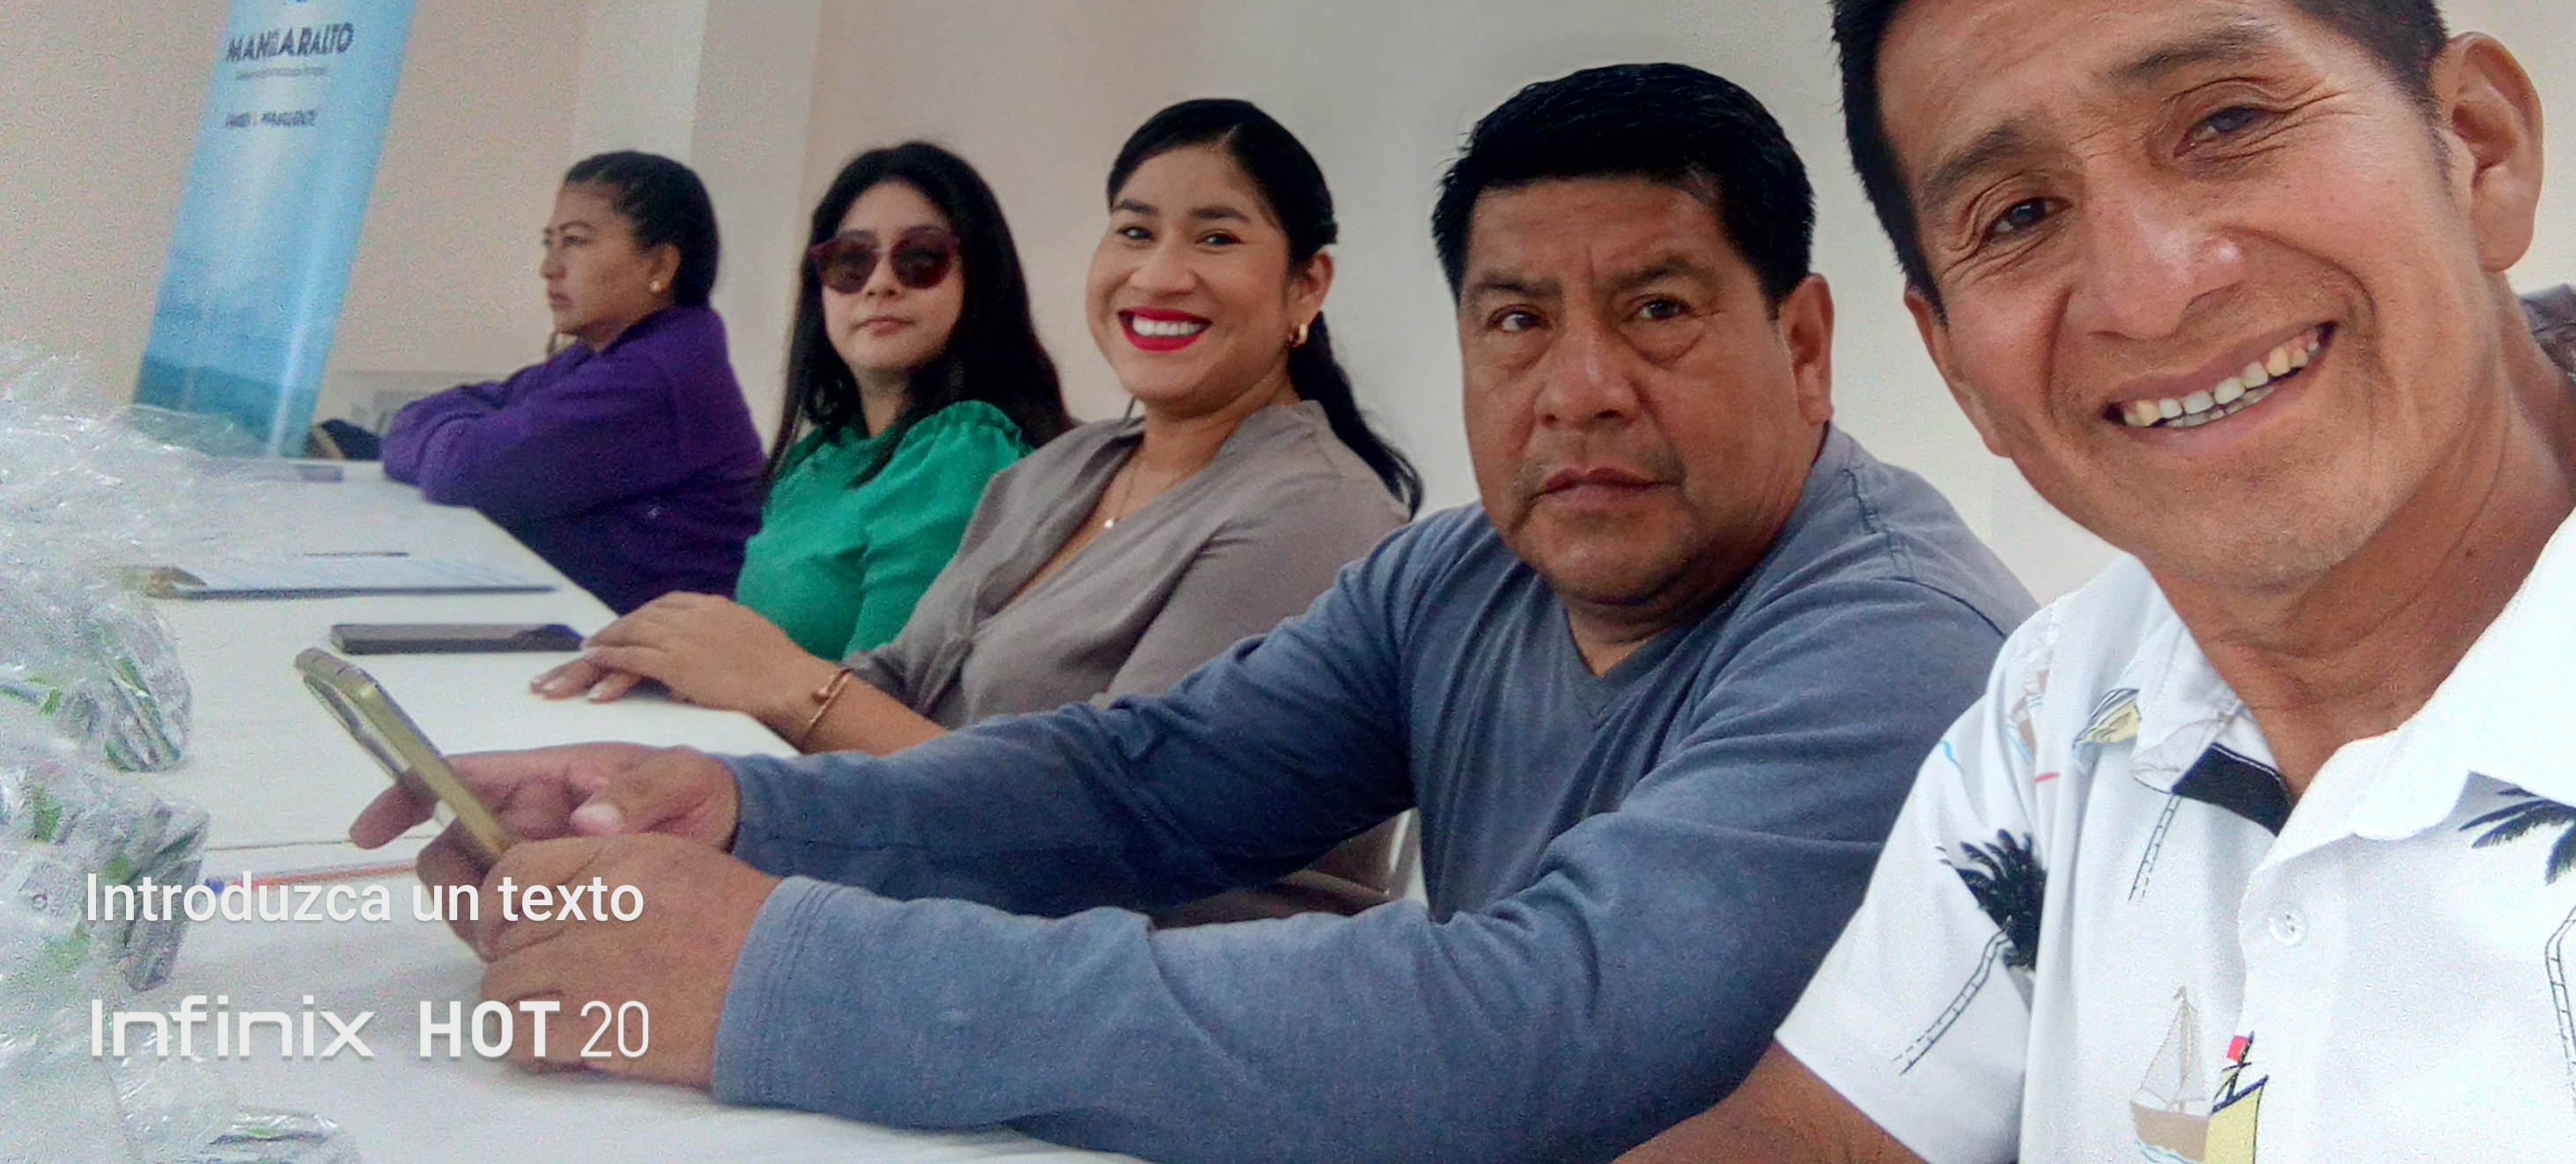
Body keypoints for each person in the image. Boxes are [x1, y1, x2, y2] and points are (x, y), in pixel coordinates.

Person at [352, 63, 2031, 1164]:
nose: (1577, 385)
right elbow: (1139, 781)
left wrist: (785, 969)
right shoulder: (1453, 574)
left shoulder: (1894, 647)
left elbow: (1536, 1037)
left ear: (1801, 344)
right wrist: (738, 811)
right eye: (1515, 320)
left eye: (1655, 309)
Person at [1628, 0, 2576, 1164]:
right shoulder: (2060, 707)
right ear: (1959, 372)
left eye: (2225, 122)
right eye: (2020, 213)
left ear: (2478, 148)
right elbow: (1816, 1134)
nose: (2151, 290)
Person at [528, 104, 1412, 775]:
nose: (1158, 274)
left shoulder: (1311, 511)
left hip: (1113, 951)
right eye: (1135, 231)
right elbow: (899, 674)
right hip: (929, 883)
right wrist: (694, 680)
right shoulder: (1066, 470)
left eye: (1215, 237)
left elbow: (1120, 817)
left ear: (1307, 286)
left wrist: (784, 683)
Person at [532, 141, 1070, 689]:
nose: (880, 283)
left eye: (920, 259)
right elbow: (755, 658)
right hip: (750, 734)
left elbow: (884, 701)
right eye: (851, 261)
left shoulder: (962, 450)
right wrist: (658, 665)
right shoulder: (825, 454)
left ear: (980, 279)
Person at [380, 151, 762, 614]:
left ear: (660, 266)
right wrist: (452, 436)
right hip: (592, 623)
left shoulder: (657, 375)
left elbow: (462, 471)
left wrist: (451, 438)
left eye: (575, 242)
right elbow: (425, 421)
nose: (549, 268)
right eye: (549, 243)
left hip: (651, 646)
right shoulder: (602, 355)